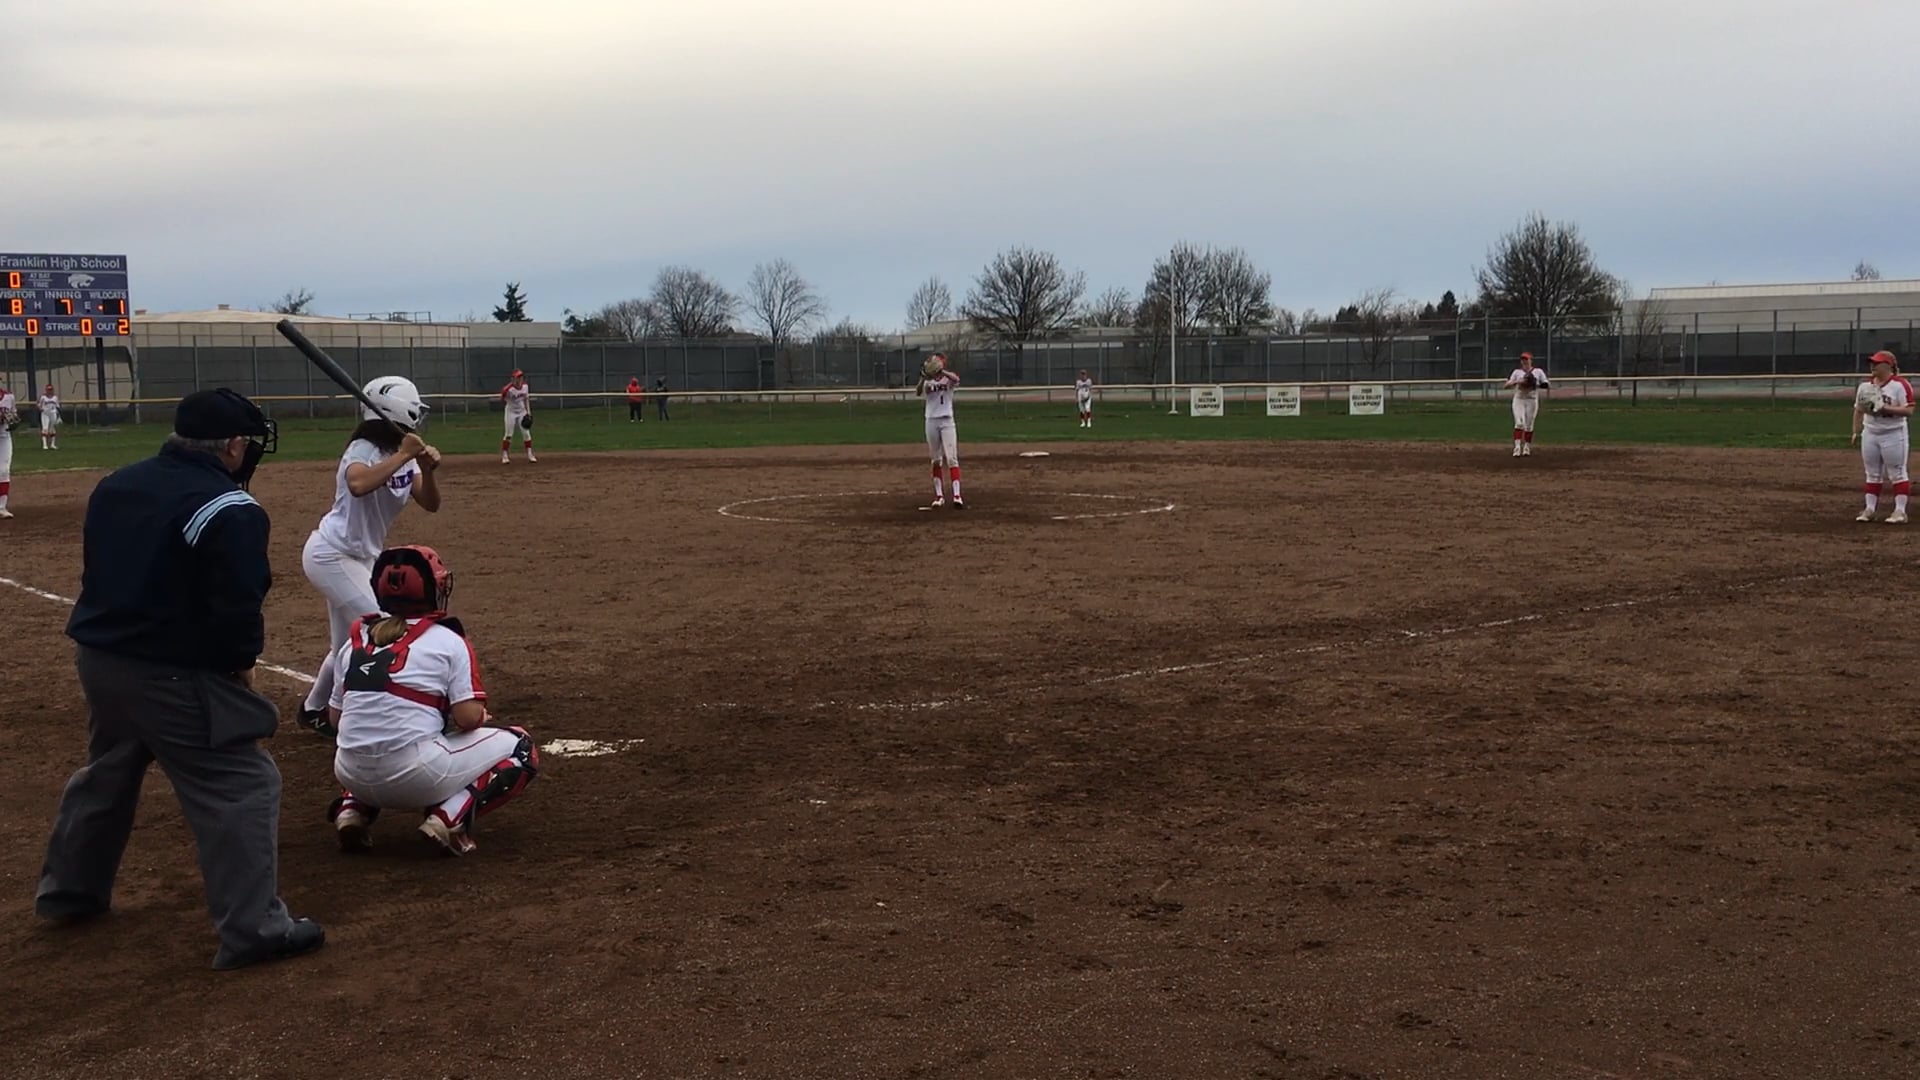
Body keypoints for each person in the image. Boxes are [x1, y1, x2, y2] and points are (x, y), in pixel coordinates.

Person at [36, 388, 325, 971]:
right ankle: (255, 931)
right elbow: (237, 604)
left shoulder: (118, 483)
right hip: (170, 671)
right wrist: (240, 663)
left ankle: (71, 891)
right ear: (234, 445)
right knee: (244, 783)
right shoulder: (231, 507)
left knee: (109, 770)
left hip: (100, 659)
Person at [325, 545, 539, 857]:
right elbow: (467, 718)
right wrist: (480, 718)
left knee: (368, 734)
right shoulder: (448, 640)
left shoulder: (354, 643)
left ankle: (351, 810)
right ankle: (447, 819)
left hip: (350, 773)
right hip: (416, 776)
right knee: (521, 747)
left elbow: (335, 720)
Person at [295, 376, 441, 738]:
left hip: (362, 558)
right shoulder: (363, 448)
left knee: (344, 645)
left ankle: (314, 710)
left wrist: (426, 469)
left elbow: (430, 503)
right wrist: (405, 454)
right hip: (331, 554)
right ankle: (357, 713)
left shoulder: (402, 456)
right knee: (382, 625)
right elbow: (358, 484)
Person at [1851, 350, 1914, 523]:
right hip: (1870, 433)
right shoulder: (1865, 386)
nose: (1873, 366)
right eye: (1872, 363)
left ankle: (1900, 511)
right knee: (1872, 473)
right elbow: (1858, 409)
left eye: (1877, 363)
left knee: (1897, 472)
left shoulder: (1899, 385)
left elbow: (1909, 410)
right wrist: (1856, 431)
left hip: (1893, 433)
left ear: (1888, 366)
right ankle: (1869, 509)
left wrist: (1885, 408)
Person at [918, 352, 965, 509]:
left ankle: (957, 495)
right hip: (931, 420)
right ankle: (939, 496)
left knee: (952, 458)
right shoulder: (928, 381)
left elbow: (956, 379)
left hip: (947, 421)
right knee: (936, 460)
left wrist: (942, 371)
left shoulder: (948, 378)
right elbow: (918, 392)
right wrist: (923, 377)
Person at [1502, 352, 1551, 457]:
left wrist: (1534, 383)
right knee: (1519, 423)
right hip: (1519, 399)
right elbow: (1506, 385)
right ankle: (1517, 447)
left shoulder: (1538, 371)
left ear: (1531, 360)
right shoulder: (1517, 372)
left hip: (1531, 400)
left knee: (1529, 425)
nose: (1524, 361)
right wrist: (1518, 381)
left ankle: (1527, 447)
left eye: (1526, 359)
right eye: (1523, 360)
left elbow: (1546, 384)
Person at [501, 369, 535, 463]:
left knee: (526, 433)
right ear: (513, 379)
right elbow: (503, 398)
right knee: (509, 434)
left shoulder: (525, 386)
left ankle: (530, 454)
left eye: (521, 377)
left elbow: (526, 399)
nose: (520, 379)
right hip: (510, 412)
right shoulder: (508, 389)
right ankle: (505, 455)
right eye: (517, 377)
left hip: (521, 411)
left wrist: (528, 413)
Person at [0, 383, 15, 519]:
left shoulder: (9, 397)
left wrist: (13, 420)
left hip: (4, 438)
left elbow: (13, 415)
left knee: (4, 471)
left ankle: (2, 507)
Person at [38, 383, 59, 450]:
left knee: (52, 429)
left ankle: (52, 444)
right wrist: (41, 409)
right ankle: (45, 445)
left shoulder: (55, 397)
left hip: (53, 414)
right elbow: (38, 404)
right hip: (45, 414)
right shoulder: (43, 397)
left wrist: (58, 415)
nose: (50, 391)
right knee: (45, 429)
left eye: (51, 389)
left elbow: (57, 406)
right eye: (48, 390)